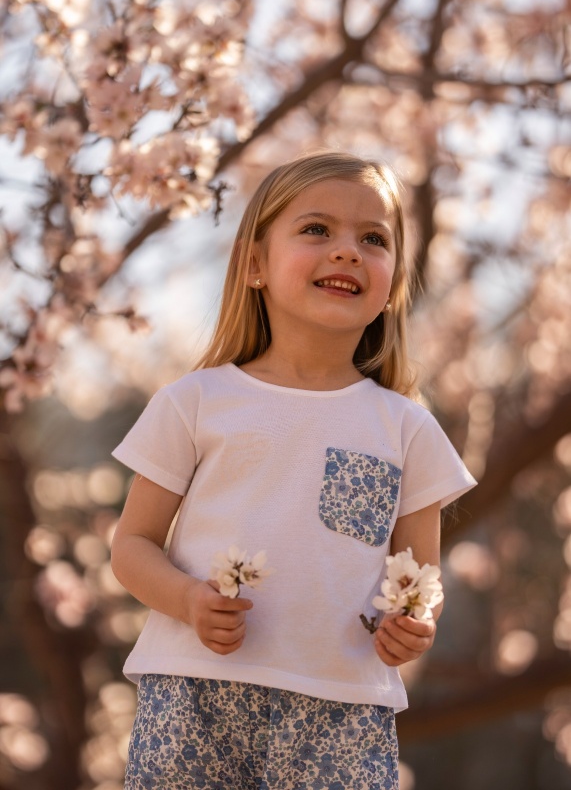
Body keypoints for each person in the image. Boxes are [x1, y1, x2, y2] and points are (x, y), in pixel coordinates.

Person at [111, 151, 476, 790]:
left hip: (344, 708)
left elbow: (421, 577)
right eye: (316, 229)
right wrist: (187, 600)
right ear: (254, 264)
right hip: (195, 690)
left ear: (393, 282)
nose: (347, 251)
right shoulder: (195, 403)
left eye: (373, 239)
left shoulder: (407, 429)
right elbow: (131, 545)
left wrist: (415, 624)